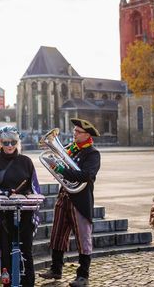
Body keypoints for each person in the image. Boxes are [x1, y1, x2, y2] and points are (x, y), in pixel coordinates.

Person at [39, 118, 101, 287]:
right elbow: (61, 167)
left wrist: (62, 170)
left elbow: (86, 176)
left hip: (80, 200)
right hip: (64, 196)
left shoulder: (92, 153)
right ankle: (56, 269)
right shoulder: (72, 150)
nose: (74, 134)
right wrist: (56, 168)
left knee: (83, 238)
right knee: (57, 234)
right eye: (74, 131)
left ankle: (83, 276)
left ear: (87, 135)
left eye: (78, 132)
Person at [0, 127, 41, 287]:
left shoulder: (26, 161)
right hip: (3, 215)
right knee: (6, 251)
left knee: (27, 250)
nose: (9, 146)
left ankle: (28, 283)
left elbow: (35, 185)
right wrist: (5, 193)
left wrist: (29, 195)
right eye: (6, 142)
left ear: (18, 143)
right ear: (0, 143)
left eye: (13, 142)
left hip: (26, 212)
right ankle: (7, 284)